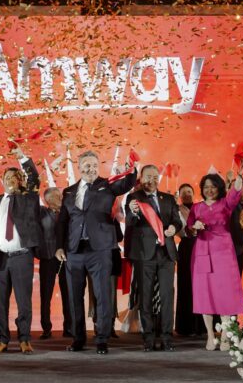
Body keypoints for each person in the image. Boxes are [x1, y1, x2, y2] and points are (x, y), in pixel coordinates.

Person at [56, 150, 137, 355]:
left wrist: (131, 169)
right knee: (74, 297)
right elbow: (62, 222)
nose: (91, 168)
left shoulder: (107, 185)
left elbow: (127, 184)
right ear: (79, 167)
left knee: (102, 296)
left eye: (94, 165)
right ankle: (78, 339)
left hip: (100, 250)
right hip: (74, 251)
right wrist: (59, 247)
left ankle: (102, 339)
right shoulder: (68, 192)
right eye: (87, 165)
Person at [0, 147, 42, 355]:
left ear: (21, 181)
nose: (11, 180)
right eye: (7, 177)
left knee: (24, 301)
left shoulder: (28, 198)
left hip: (22, 257)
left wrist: (22, 158)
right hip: (0, 259)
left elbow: (35, 178)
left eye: (15, 178)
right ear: (2, 180)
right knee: (0, 303)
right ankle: (2, 340)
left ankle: (24, 339)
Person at [187, 159, 243, 351]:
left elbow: (235, 192)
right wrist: (194, 227)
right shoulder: (196, 207)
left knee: (225, 294)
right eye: (206, 187)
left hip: (224, 253)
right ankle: (211, 336)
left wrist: (240, 174)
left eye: (213, 186)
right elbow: (189, 228)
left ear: (219, 188)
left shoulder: (225, 204)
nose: (209, 190)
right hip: (202, 252)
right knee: (204, 294)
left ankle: (226, 336)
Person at [125, 164, 182, 351]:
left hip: (166, 253)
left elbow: (176, 221)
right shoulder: (134, 198)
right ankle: (148, 338)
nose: (152, 180)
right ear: (141, 178)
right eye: (148, 176)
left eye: (155, 176)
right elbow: (130, 221)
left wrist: (173, 228)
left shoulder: (168, 198)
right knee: (146, 296)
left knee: (167, 296)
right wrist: (133, 210)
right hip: (144, 254)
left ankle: (167, 337)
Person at [38, 187, 71, 339]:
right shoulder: (41, 212)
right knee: (46, 295)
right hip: (48, 257)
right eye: (58, 196)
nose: (61, 198)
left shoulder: (67, 212)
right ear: (49, 200)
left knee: (68, 294)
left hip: (66, 258)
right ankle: (46, 328)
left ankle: (69, 327)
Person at [175, 183, 205, 336]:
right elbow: (178, 229)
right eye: (183, 192)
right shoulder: (176, 209)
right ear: (180, 196)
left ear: (194, 193)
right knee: (186, 285)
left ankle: (202, 326)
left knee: (201, 286)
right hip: (186, 247)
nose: (187, 194)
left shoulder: (201, 208)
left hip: (201, 247)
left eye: (189, 191)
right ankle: (185, 326)